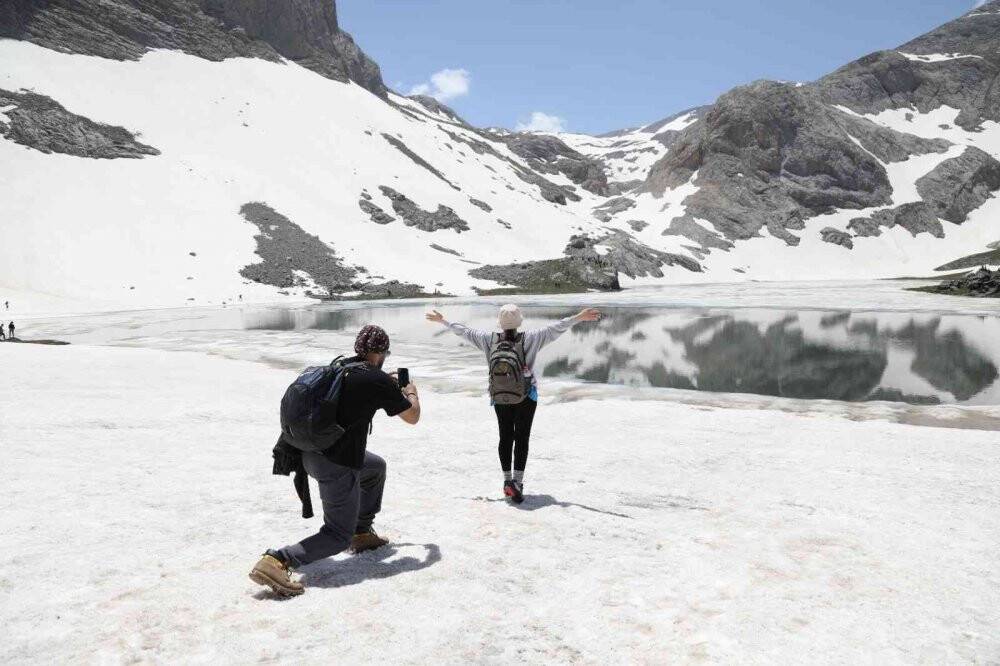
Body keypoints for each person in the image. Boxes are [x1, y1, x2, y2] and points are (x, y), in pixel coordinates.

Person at [250, 324, 421, 597]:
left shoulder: (342, 367)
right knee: (336, 535)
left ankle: (362, 533)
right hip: (336, 465)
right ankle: (278, 559)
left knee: (375, 467)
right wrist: (410, 391)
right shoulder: (376, 380)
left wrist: (384, 385)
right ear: (379, 353)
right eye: (385, 352)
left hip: (308, 453)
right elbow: (412, 416)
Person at [426, 304, 601, 503]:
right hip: (527, 396)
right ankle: (517, 483)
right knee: (522, 438)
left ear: (500, 323)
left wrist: (444, 321)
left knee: (505, 436)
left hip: (499, 396)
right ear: (520, 321)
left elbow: (465, 332)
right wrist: (578, 317)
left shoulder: (488, 339)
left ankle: (507, 481)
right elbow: (556, 328)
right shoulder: (532, 338)